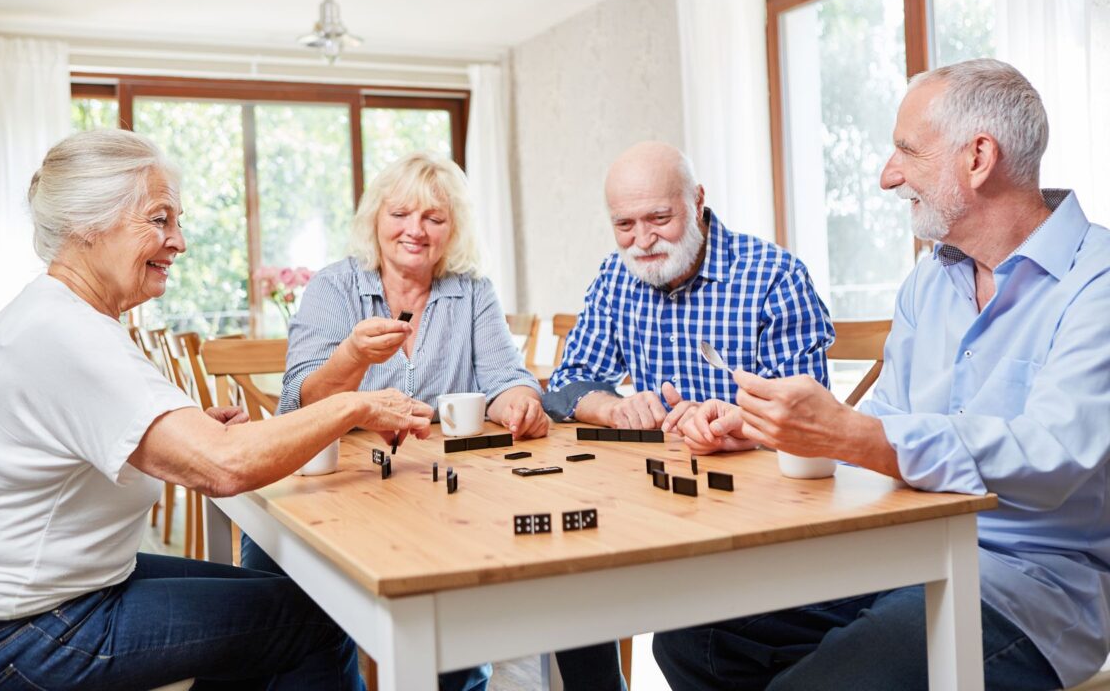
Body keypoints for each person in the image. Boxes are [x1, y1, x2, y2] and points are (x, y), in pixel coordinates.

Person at [0, 129, 432, 690]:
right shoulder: (65, 332)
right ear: (88, 224)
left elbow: (99, 441)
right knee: (314, 623)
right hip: (21, 635)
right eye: (159, 220)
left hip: (33, 608)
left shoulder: (56, 314)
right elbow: (223, 467)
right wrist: (356, 404)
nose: (180, 242)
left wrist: (176, 436)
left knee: (286, 607)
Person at [658, 58, 1107, 689]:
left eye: (907, 150)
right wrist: (769, 429)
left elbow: (1052, 455)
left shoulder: (1097, 283)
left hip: (1024, 586)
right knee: (695, 634)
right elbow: (884, 424)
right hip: (902, 551)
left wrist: (852, 434)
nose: (887, 175)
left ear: (979, 158)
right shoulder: (929, 281)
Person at [241, 152, 625, 691]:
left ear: (454, 228)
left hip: (439, 496)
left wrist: (518, 401)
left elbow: (506, 377)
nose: (415, 230)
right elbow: (300, 404)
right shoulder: (334, 287)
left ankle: (458, 670)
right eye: (400, 214)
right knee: (296, 609)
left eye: (434, 218)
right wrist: (353, 355)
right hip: (341, 492)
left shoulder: (471, 291)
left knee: (551, 566)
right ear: (375, 219)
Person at [541, 141, 833, 436]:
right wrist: (612, 408)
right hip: (656, 461)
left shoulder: (775, 276)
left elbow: (805, 415)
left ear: (697, 202)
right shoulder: (615, 275)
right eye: (625, 225)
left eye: (659, 218)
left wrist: (730, 423)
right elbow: (567, 383)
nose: (643, 241)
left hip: (752, 460)